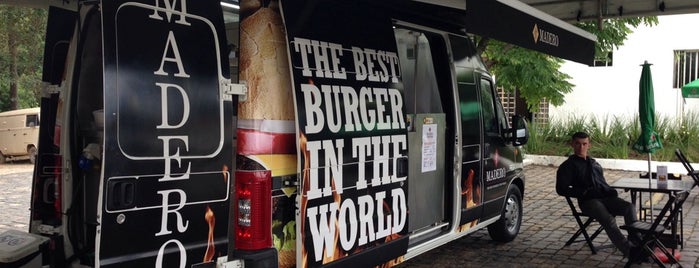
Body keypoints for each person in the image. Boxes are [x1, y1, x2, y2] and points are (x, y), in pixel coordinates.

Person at [556, 131, 639, 256]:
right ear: (572, 144)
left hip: (604, 198)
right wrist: (584, 192)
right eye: (578, 144)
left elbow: (602, 183)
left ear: (589, 145)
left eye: (584, 144)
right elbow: (561, 189)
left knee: (629, 208)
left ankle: (638, 243)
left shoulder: (594, 164)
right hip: (588, 202)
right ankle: (630, 251)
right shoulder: (568, 166)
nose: (581, 147)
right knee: (608, 219)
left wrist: (609, 190)